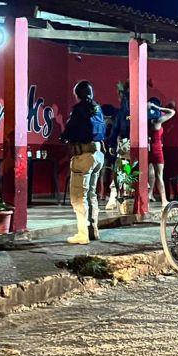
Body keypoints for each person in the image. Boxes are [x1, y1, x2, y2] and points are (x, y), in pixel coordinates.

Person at [60, 80, 106, 244]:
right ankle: (93, 230)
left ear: (78, 95)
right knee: (91, 193)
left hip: (84, 156)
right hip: (98, 154)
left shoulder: (79, 110)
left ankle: (82, 234)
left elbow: (68, 133)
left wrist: (64, 136)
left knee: (79, 196)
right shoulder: (97, 109)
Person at [104, 81, 130, 210]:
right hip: (130, 144)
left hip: (126, 144)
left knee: (120, 171)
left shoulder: (122, 112)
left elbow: (116, 129)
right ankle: (119, 197)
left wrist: (112, 143)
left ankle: (116, 196)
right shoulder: (133, 110)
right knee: (125, 172)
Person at [147, 97, 176, 203]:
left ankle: (149, 195)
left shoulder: (146, 122)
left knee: (150, 173)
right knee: (159, 175)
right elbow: (172, 112)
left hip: (147, 149)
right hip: (157, 149)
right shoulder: (157, 121)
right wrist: (157, 107)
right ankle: (164, 200)